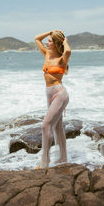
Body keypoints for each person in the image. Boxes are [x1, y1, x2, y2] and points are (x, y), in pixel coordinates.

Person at [34, 30, 71, 168]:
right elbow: (37, 38)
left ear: (56, 43)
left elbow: (67, 51)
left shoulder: (62, 59)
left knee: (45, 125)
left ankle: (45, 162)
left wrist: (65, 41)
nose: (46, 43)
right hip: (49, 93)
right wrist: (50, 32)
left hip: (60, 94)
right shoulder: (47, 54)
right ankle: (63, 157)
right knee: (57, 127)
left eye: (50, 41)